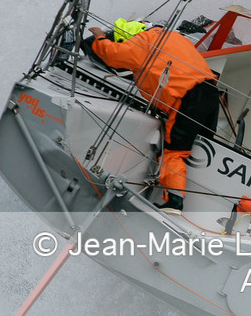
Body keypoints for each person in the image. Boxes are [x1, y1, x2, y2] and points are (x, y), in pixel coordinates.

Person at [83, 17, 219, 213]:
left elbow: (111, 55)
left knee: (174, 153)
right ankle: (206, 203)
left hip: (187, 99)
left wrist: (99, 37)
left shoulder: (141, 43)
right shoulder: (173, 36)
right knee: (203, 149)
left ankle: (174, 203)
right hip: (210, 93)